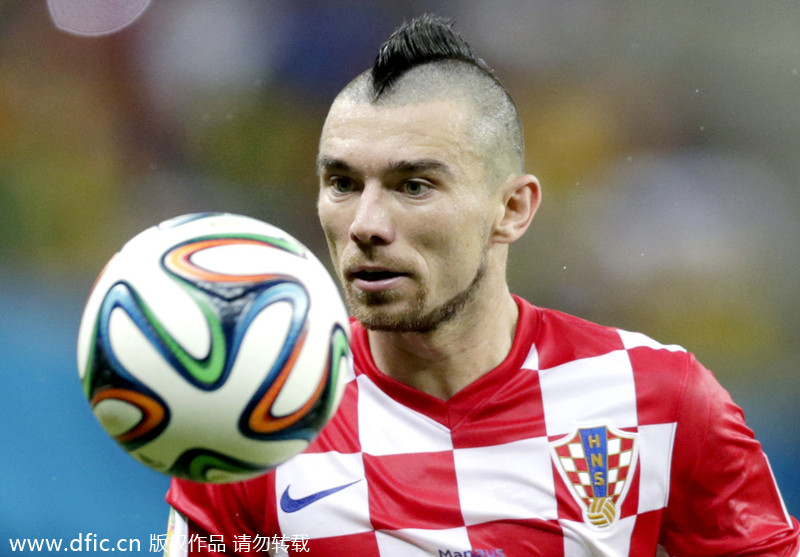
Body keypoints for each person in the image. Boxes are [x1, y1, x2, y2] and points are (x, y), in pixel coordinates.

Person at [165, 14, 799, 556]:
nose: (366, 225)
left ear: (513, 209)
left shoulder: (660, 399)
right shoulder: (256, 424)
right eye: (343, 183)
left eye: (414, 185)